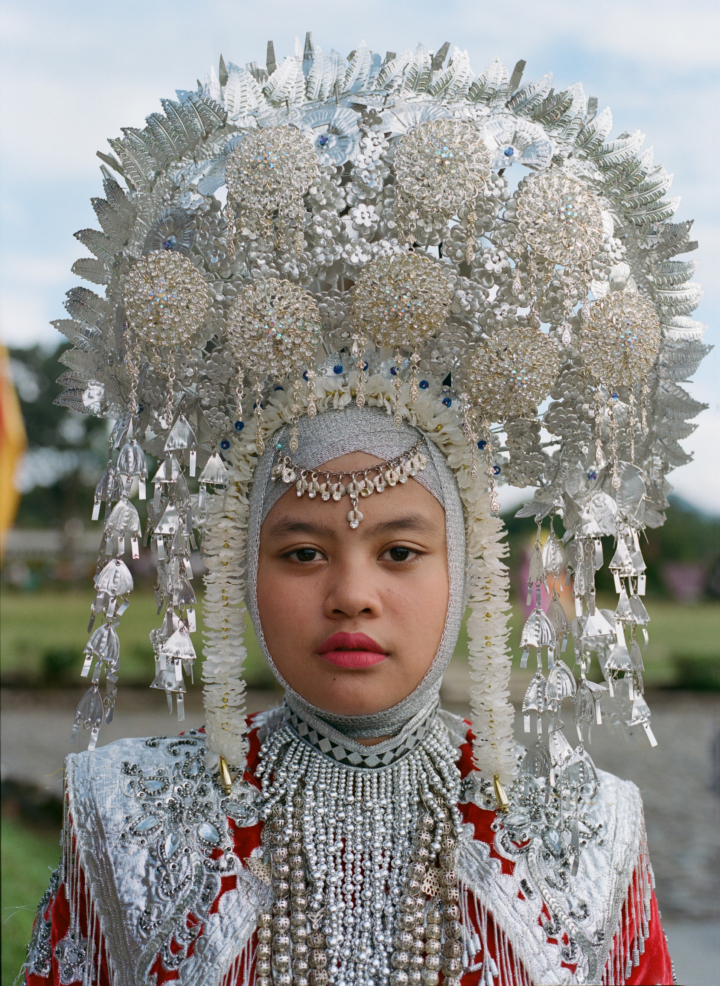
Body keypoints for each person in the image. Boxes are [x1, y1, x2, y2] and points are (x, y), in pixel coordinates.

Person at [25, 35, 701, 985]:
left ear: (466, 568)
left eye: (399, 552)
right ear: (239, 568)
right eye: (302, 553)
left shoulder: (583, 828)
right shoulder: (132, 815)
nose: (351, 595)